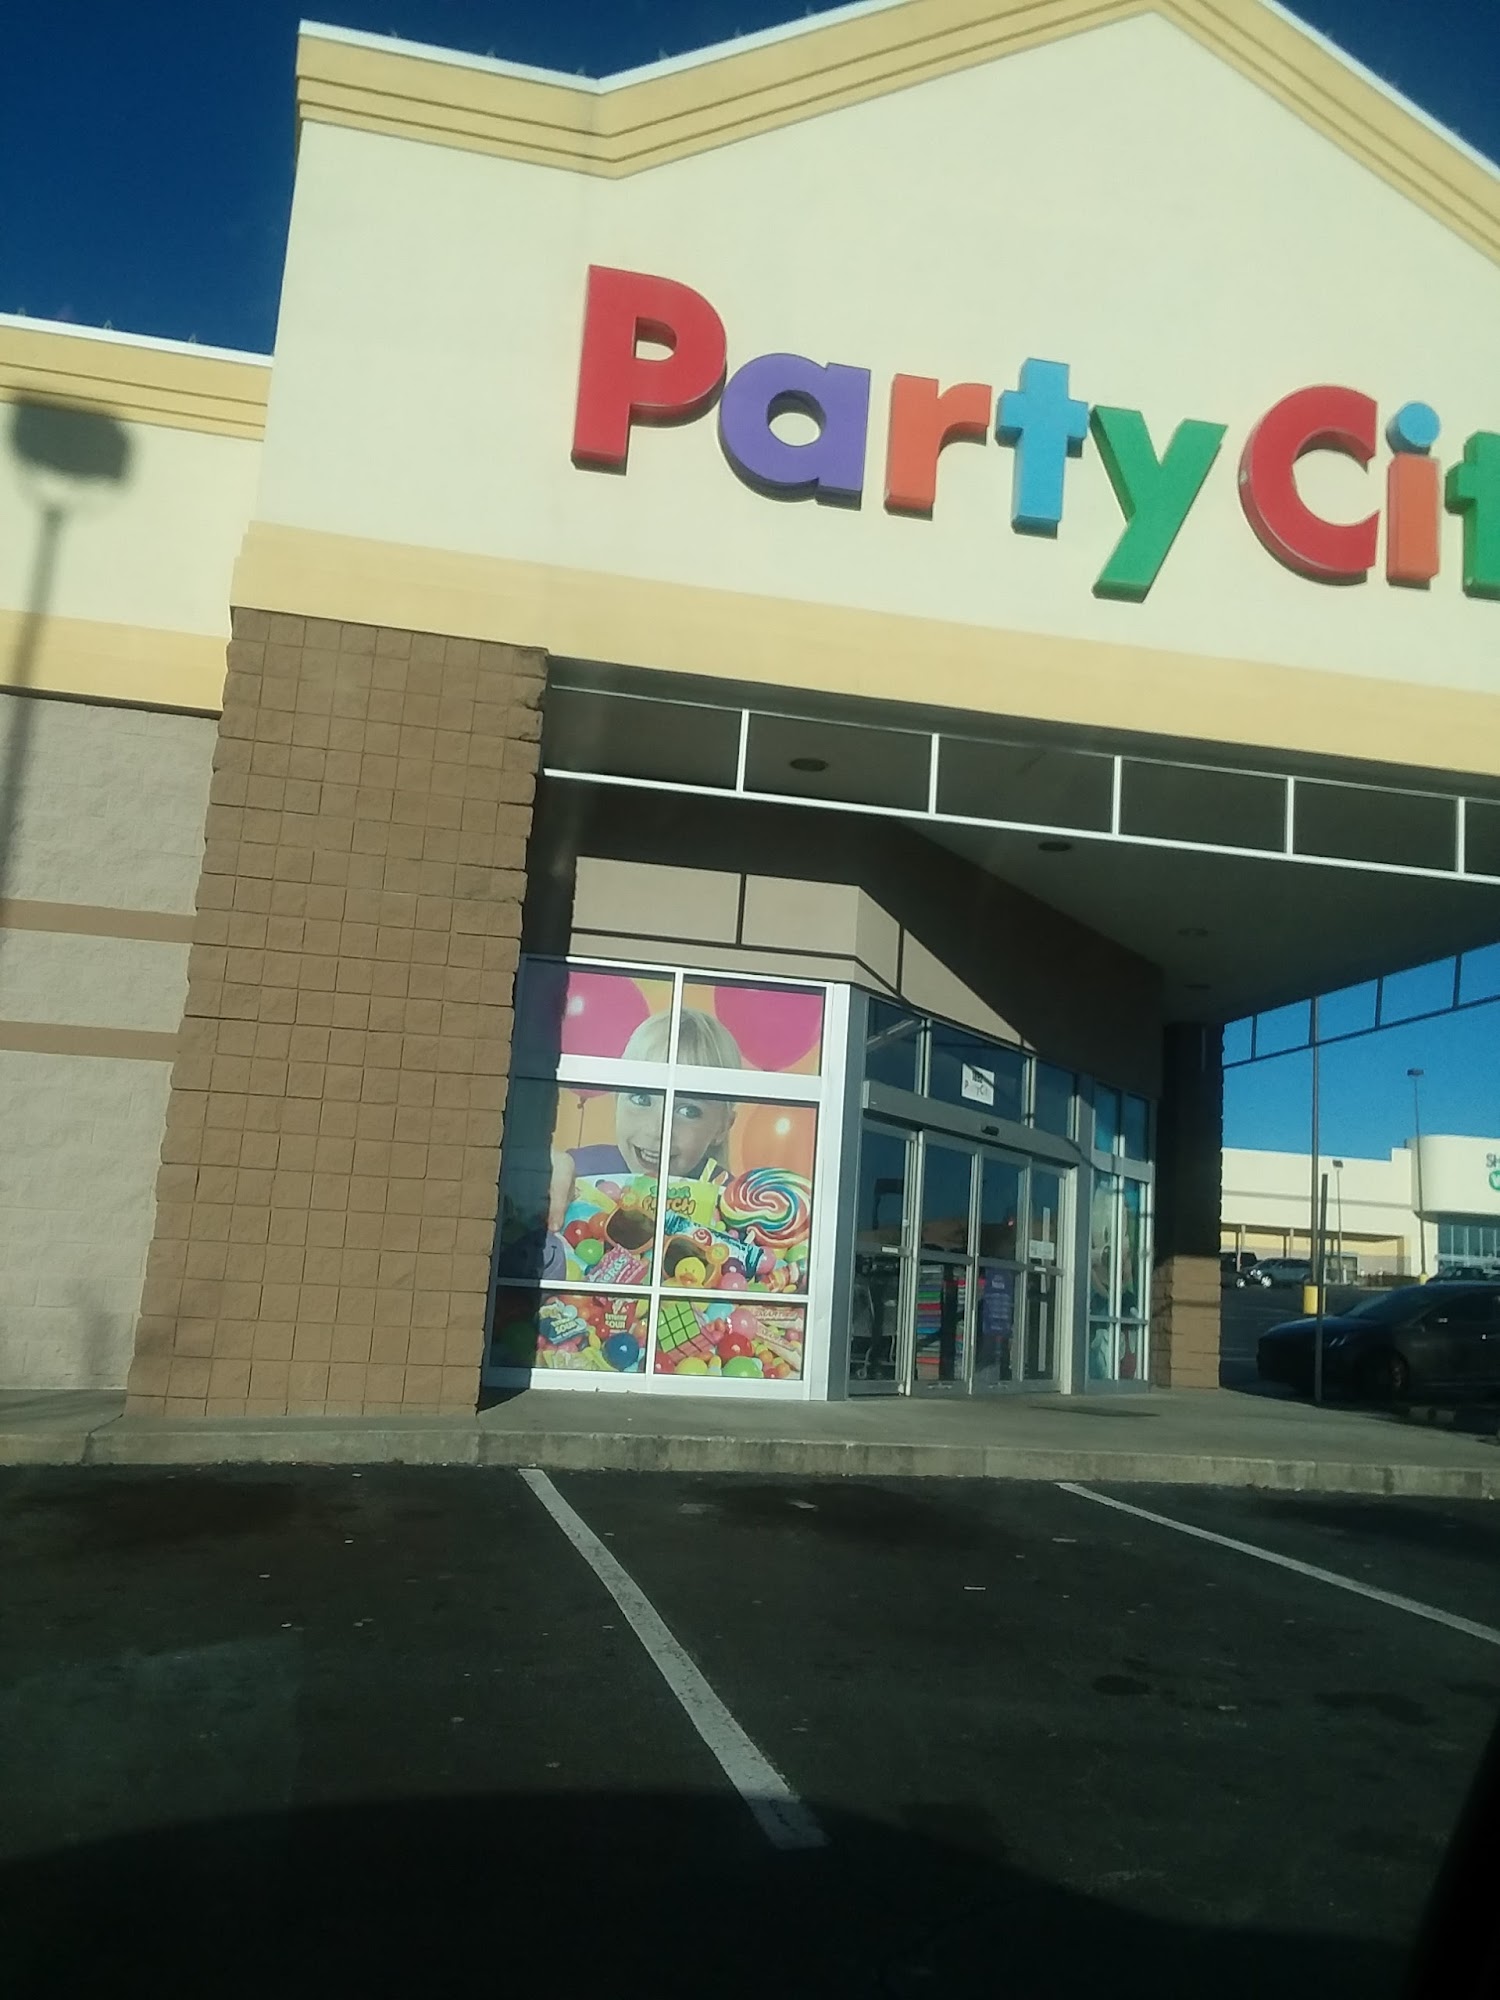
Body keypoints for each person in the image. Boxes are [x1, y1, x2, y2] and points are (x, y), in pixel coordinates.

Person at [547, 1007, 743, 1232]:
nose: (656, 1130)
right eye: (641, 1099)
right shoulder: (579, 1172)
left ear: (722, 1127)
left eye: (689, 1111)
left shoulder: (737, 1209)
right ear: (617, 1097)